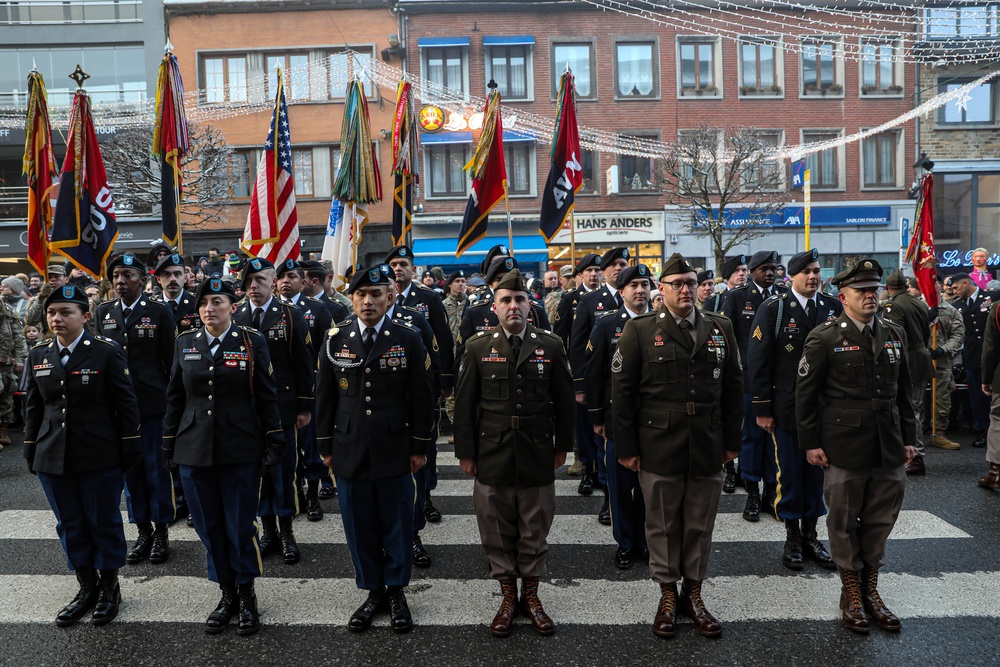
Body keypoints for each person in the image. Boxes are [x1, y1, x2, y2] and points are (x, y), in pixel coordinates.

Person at [613, 253, 743, 639]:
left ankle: (694, 594)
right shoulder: (639, 330)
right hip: (659, 442)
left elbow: (734, 388)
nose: (685, 289)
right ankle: (668, 595)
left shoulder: (721, 327)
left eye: (690, 282)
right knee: (664, 524)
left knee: (700, 524)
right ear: (662, 289)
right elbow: (623, 393)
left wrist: (733, 441)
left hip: (707, 440)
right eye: (677, 284)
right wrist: (628, 447)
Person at [796, 258, 917, 635]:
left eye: (874, 288)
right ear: (842, 296)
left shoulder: (893, 333)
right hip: (844, 443)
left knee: (882, 517)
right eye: (861, 290)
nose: (870, 295)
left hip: (889, 442)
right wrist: (810, 444)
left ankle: (870, 588)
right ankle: (850, 590)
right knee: (844, 519)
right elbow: (805, 396)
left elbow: (904, 393)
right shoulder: (825, 337)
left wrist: (911, 439)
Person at [453, 268, 574, 637]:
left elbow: (565, 403)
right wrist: (466, 452)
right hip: (493, 451)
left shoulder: (550, 345)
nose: (514, 306)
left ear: (529, 303)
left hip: (537, 450)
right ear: (495, 307)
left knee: (535, 527)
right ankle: (508, 597)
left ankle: (532, 597)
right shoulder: (478, 346)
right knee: (497, 529)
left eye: (520, 299)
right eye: (506, 300)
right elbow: (465, 405)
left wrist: (563, 447)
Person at [163, 275, 284, 635]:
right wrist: (168, 444)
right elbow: (174, 397)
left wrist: (274, 439)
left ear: (233, 306)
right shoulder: (185, 342)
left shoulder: (250, 342)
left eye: (217, 302)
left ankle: (246, 593)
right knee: (208, 525)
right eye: (203, 303)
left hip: (239, 448)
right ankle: (226, 592)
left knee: (238, 525)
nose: (209, 309)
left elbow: (266, 393)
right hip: (194, 448)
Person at [316, 265, 434, 634]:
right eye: (361, 295)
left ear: (390, 297)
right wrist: (324, 446)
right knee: (359, 524)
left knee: (396, 524)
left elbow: (422, 398)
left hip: (395, 446)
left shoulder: (408, 338)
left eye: (376, 294)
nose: (368, 301)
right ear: (351, 299)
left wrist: (419, 447)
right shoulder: (335, 338)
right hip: (349, 447)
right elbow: (325, 396)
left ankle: (397, 591)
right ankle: (372, 591)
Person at [24, 284, 141, 627]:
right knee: (70, 524)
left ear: (85, 316)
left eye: (65, 312)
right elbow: (33, 406)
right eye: (52, 313)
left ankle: (109, 587)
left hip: (98, 453)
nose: (57, 319)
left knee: (101, 521)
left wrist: (130, 447)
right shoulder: (39, 353)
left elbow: (126, 403)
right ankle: (85, 586)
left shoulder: (105, 351)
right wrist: (31, 449)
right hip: (53, 455)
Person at [747, 249, 839, 571]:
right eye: (806, 272)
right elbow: (758, 361)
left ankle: (812, 535)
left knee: (817, 472)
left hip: (824, 408)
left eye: (816, 271)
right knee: (789, 473)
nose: (813, 277)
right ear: (792, 277)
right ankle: (792, 538)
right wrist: (762, 408)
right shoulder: (775, 308)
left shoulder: (832, 307)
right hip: (786, 406)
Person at [96, 253, 178, 564]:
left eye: (128, 275)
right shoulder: (103, 312)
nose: (120, 281)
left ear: (142, 280)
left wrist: (174, 407)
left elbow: (171, 364)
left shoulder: (158, 312)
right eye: (116, 275)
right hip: (118, 410)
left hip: (153, 406)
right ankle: (142, 529)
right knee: (130, 472)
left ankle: (161, 531)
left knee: (157, 470)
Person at [233, 257, 313, 564]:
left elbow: (304, 364)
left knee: (285, 472)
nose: (255, 286)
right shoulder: (237, 315)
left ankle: (287, 531)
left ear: (273, 283)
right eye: (250, 281)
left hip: (283, 407)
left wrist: (304, 406)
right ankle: (267, 531)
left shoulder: (290, 316)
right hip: (247, 411)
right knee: (257, 472)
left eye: (261, 280)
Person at [584, 264, 652, 568]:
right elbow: (594, 373)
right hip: (617, 422)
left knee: (651, 489)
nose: (640, 290)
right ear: (621, 291)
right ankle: (625, 542)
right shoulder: (607, 324)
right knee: (621, 487)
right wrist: (597, 417)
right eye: (633, 285)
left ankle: (646, 540)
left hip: (655, 423)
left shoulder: (661, 322)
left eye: (645, 284)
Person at [721, 250, 785, 517]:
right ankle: (752, 495)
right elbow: (726, 338)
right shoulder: (736, 297)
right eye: (765, 268)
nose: (770, 273)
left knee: (773, 441)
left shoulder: (783, 298)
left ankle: (771, 492)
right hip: (747, 380)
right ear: (753, 271)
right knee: (750, 437)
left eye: (774, 268)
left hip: (776, 381)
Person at [571, 247, 631, 500]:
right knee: (600, 437)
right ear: (605, 271)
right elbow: (578, 346)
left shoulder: (640, 299)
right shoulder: (589, 301)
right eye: (613, 265)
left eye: (623, 263)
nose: (618, 268)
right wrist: (581, 385)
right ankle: (603, 485)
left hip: (633, 386)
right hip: (603, 385)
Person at [882, 269, 938, 474]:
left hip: (907, 360)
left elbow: (895, 336)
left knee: (908, 409)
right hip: (921, 356)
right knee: (913, 407)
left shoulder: (893, 305)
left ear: (888, 289)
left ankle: (915, 457)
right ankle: (914, 454)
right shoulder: (919, 302)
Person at [951, 273, 1000, 448]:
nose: (954, 291)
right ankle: (982, 431)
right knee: (977, 397)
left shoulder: (991, 296)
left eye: (956, 287)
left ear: (966, 283)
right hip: (972, 356)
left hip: (994, 354)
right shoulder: (956, 306)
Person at [929, 289, 965, 444]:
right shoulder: (918, 308)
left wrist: (943, 349)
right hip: (920, 361)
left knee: (942, 400)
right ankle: (913, 437)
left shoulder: (952, 311)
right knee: (915, 401)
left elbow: (958, 335)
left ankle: (939, 434)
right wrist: (926, 318)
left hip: (942, 361)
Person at [0, 294, 26, 446]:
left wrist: (20, 358)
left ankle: (3, 430)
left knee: (7, 396)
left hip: (6, 362)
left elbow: (18, 336)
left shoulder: (8, 311)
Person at [155, 254, 202, 334]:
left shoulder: (198, 305)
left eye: (177, 274)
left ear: (185, 278)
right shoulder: (152, 307)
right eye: (167, 274)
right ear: (158, 279)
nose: (173, 279)